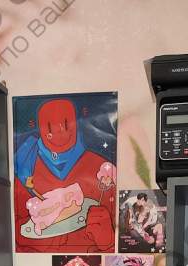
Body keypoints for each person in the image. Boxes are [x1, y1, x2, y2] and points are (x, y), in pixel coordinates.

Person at [15, 98, 116, 252]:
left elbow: (124, 239)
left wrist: (108, 241)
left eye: (66, 124)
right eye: (50, 127)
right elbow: (11, 234)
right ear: (41, 129)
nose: (59, 132)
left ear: (76, 125)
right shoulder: (25, 172)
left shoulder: (103, 170)